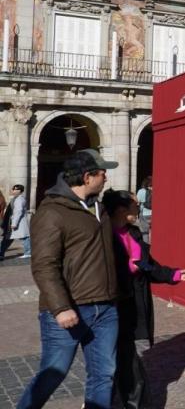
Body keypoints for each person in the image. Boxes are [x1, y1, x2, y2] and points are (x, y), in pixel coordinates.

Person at [18, 149, 120, 409]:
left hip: (105, 307)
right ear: (87, 177)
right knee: (54, 373)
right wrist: (61, 308)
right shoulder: (52, 212)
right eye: (102, 172)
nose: (106, 177)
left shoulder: (100, 207)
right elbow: (43, 264)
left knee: (103, 374)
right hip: (70, 308)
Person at [104, 189, 185, 408]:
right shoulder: (102, 234)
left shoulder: (134, 233)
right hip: (110, 305)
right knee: (121, 362)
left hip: (131, 303)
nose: (139, 207)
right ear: (120, 210)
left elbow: (149, 265)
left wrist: (174, 275)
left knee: (121, 358)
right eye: (134, 204)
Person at [7, 185, 29, 258]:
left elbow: (18, 211)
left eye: (16, 190)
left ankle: (28, 252)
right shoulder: (16, 198)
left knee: (24, 237)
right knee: (10, 237)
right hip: (16, 221)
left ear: (20, 191)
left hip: (19, 222)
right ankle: (1, 252)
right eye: (13, 189)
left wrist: (14, 223)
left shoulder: (19, 199)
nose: (14, 191)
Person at [135, 176, 153, 243]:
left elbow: (137, 203)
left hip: (144, 214)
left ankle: (147, 248)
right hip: (154, 214)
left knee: (145, 233)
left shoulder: (141, 191)